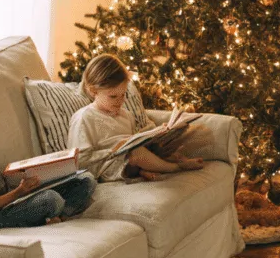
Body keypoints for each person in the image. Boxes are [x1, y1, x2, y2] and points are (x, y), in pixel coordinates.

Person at [0, 97, 96, 229]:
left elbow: (2, 185)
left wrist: (24, 178)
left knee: (85, 179)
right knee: (51, 199)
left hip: (13, 201)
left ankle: (58, 217)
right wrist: (19, 191)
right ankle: (57, 215)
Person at [68, 53, 203, 182]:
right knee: (136, 153)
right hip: (106, 167)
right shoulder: (84, 117)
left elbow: (134, 141)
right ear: (93, 91)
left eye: (123, 95)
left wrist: (155, 135)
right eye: (113, 96)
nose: (120, 101)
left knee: (157, 147)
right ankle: (176, 168)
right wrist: (113, 150)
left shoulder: (126, 115)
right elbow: (80, 161)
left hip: (130, 161)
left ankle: (158, 165)